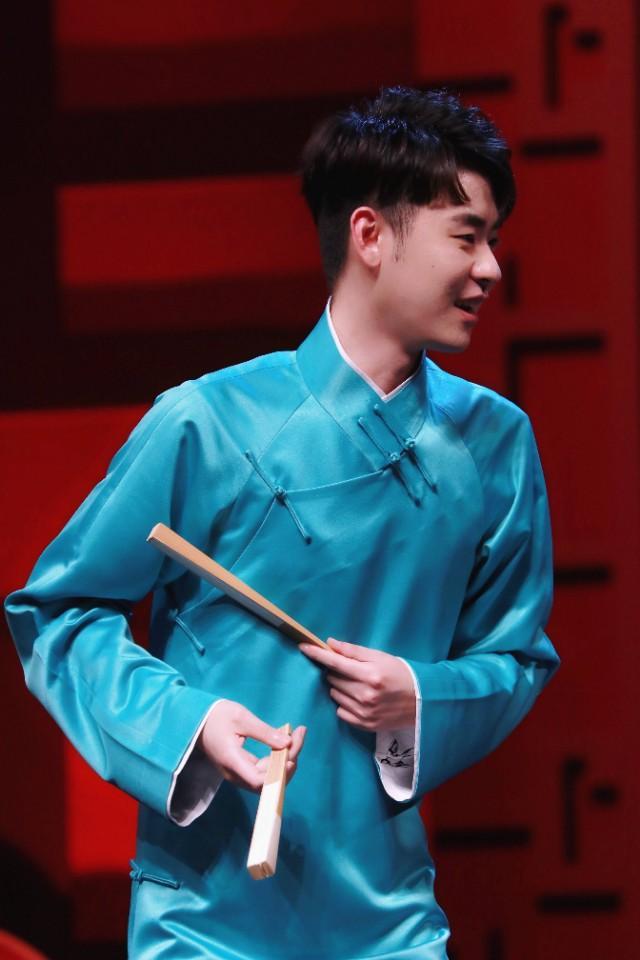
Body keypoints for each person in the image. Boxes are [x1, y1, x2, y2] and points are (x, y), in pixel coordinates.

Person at [5, 87, 559, 959]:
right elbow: (58, 611)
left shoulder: (495, 444)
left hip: (388, 918)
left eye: (494, 239)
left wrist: (419, 696)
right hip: (204, 922)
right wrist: (189, 725)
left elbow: (516, 656)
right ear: (370, 235)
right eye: (467, 236)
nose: (490, 268)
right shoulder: (209, 421)